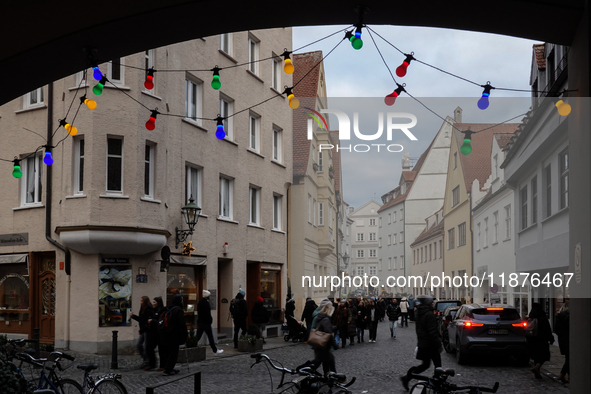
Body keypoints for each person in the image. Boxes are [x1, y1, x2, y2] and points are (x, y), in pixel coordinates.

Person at [400, 295, 441, 391]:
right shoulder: (429, 314)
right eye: (431, 302)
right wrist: (438, 344)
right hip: (431, 344)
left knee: (425, 364)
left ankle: (407, 377)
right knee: (438, 365)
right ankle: (437, 383)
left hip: (423, 343)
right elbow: (432, 332)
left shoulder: (419, 312)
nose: (432, 304)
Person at [160, 294, 188, 376]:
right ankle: (168, 369)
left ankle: (168, 367)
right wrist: (185, 335)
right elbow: (181, 324)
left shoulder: (168, 308)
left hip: (165, 333)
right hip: (174, 334)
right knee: (173, 353)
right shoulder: (178, 310)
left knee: (168, 352)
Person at [310, 299, 338, 375]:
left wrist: (334, 328)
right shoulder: (325, 319)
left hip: (319, 344)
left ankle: (328, 377)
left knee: (325, 361)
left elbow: (322, 328)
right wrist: (335, 345)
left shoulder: (320, 316)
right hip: (323, 345)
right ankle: (334, 377)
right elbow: (328, 333)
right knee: (324, 361)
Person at [527, 302, 554, 379]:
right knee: (544, 355)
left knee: (536, 356)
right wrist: (551, 338)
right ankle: (537, 367)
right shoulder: (542, 316)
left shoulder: (531, 316)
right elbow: (547, 329)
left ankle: (537, 373)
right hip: (542, 340)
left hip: (532, 339)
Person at [130, 295, 155, 370]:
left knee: (145, 346)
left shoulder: (149, 310)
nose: (140, 302)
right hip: (143, 330)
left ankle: (147, 362)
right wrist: (133, 316)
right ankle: (145, 360)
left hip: (147, 330)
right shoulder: (142, 309)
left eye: (141, 301)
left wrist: (141, 330)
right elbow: (141, 319)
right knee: (139, 345)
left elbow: (146, 322)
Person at [196, 290, 224, 354]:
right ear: (207, 296)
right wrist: (210, 321)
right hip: (206, 323)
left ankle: (190, 345)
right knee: (210, 336)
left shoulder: (200, 302)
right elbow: (207, 314)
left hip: (200, 322)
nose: (210, 296)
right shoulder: (206, 303)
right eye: (209, 295)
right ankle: (215, 350)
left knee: (198, 336)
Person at [554, 302, 570, 384]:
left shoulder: (558, 317)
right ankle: (562, 374)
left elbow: (556, 329)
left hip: (562, 339)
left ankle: (569, 375)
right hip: (569, 339)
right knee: (570, 358)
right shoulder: (569, 317)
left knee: (568, 357)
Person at [149, 296, 166, 371]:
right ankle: (152, 363)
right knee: (149, 347)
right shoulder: (153, 310)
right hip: (153, 332)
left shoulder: (162, 310)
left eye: (154, 302)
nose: (153, 304)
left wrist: (152, 321)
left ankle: (162, 365)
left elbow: (160, 321)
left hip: (160, 332)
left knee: (161, 349)